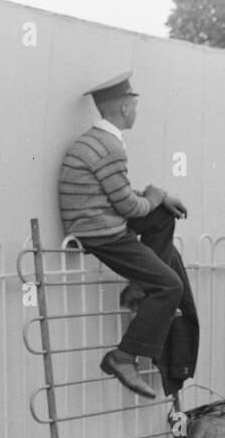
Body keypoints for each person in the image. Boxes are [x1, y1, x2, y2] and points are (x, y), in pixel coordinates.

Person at [58, 71, 193, 398]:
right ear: (124, 109)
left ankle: (137, 290)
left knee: (162, 216)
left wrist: (158, 199)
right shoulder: (110, 147)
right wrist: (155, 195)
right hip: (98, 231)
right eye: (133, 104)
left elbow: (115, 194)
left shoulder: (99, 140)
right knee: (170, 285)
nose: (136, 111)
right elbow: (130, 208)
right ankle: (123, 357)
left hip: (94, 219)